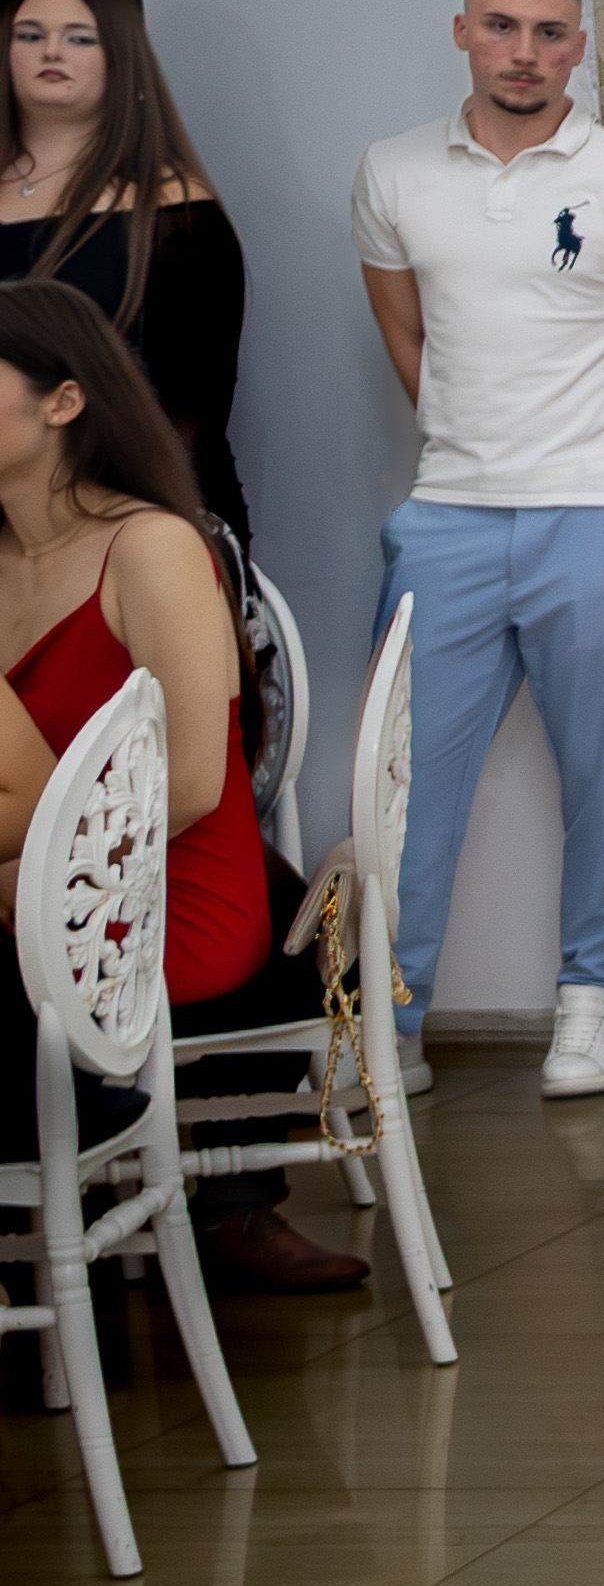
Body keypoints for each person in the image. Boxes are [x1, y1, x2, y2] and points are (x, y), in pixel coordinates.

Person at [355, 0, 604, 1100]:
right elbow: (408, 337)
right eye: (502, 26)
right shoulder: (392, 171)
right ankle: (389, 1020)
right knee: (401, 780)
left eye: (550, 32)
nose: (525, 51)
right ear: (462, 28)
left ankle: (590, 1005)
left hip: (600, 514)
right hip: (447, 515)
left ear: (579, 47)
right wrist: (473, 447)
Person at [0, 286, 365, 1293]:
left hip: (170, 898)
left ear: (64, 400)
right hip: (37, 885)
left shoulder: (152, 546)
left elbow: (195, 783)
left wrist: (29, 869)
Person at [5, 0, 258, 540]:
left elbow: (195, 408)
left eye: (79, 38)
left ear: (122, 60)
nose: (52, 51)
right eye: (31, 35)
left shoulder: (174, 208)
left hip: (144, 518)